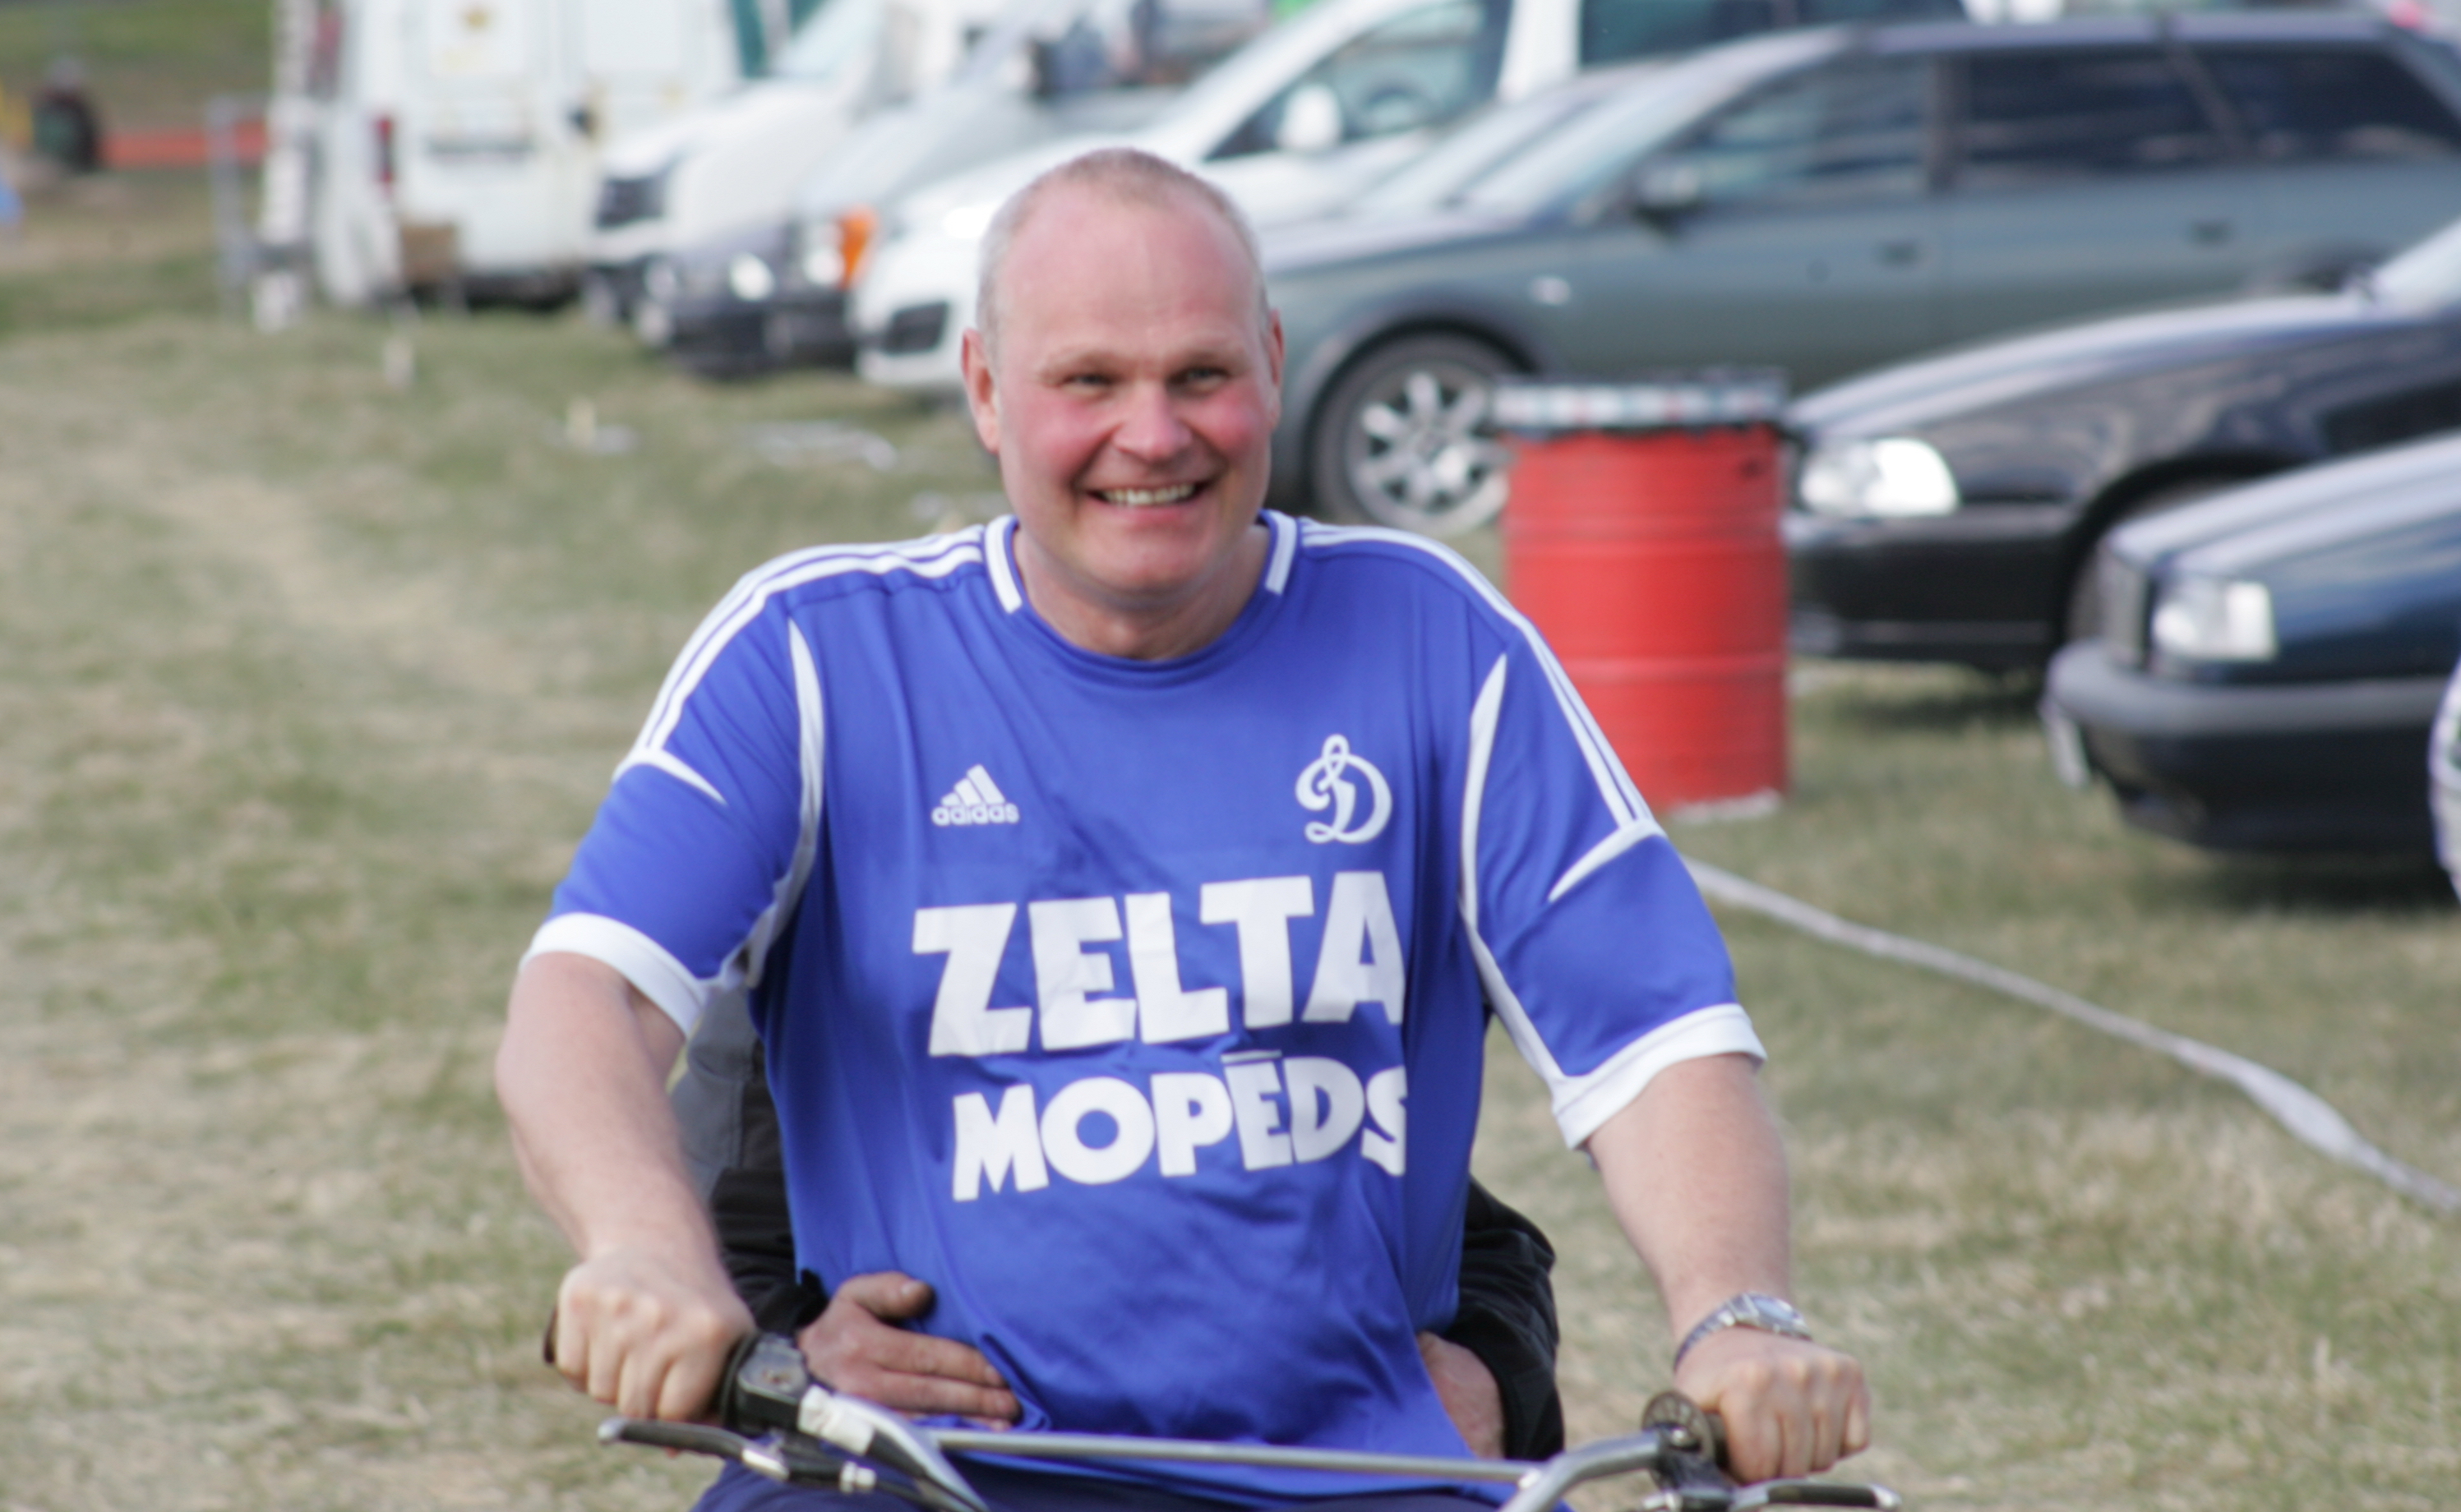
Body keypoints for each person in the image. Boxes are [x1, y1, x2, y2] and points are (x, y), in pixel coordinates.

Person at [496, 148, 1870, 1505]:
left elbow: (1654, 1045)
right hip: (917, 1476)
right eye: (1088, 381)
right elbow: (588, 996)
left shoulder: (1435, 640)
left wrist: (1735, 1316)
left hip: (1349, 1477)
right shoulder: (812, 654)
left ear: (1270, 365)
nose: (1152, 436)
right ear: (986, 389)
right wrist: (646, 1251)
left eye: (1199, 375)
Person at [672, 990, 1568, 1460]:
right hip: (941, 1473)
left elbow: (1467, 1241)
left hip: (1314, 1468)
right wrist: (792, 1358)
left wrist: (1492, 1376)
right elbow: (702, 1255)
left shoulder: (1262, 870)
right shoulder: (836, 864)